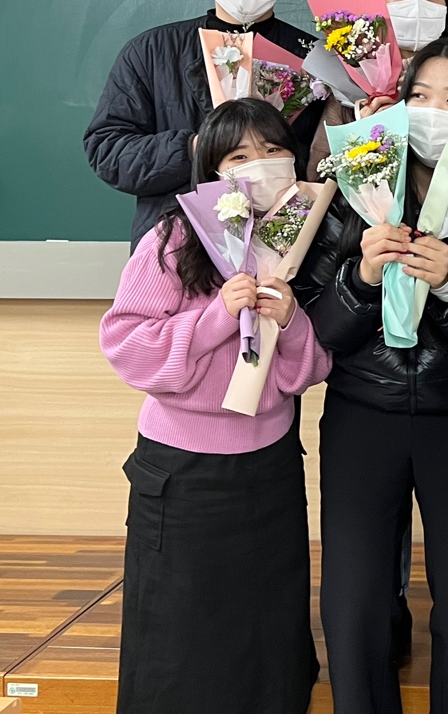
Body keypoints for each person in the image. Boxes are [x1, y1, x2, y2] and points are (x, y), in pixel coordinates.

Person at [292, 37, 448, 714]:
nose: (432, 112)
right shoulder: (355, 184)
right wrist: (363, 278)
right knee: (354, 601)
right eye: (420, 96)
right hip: (363, 411)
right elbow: (316, 334)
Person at [99, 98, 331, 714]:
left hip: (270, 470)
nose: (261, 164)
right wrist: (215, 318)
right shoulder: (173, 238)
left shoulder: (299, 236)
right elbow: (127, 347)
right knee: (179, 644)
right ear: (211, 169)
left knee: (268, 636)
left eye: (274, 150)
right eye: (240, 155)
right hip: (183, 474)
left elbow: (309, 371)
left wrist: (293, 320)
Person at [86, 0, 323, 247]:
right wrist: (195, 147)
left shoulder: (314, 59)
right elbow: (108, 152)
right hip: (176, 249)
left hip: (285, 248)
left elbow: (326, 161)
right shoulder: (151, 51)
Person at [306, 0, 448, 179]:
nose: (417, 4)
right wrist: (366, 133)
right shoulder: (347, 81)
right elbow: (319, 170)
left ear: (447, 7)